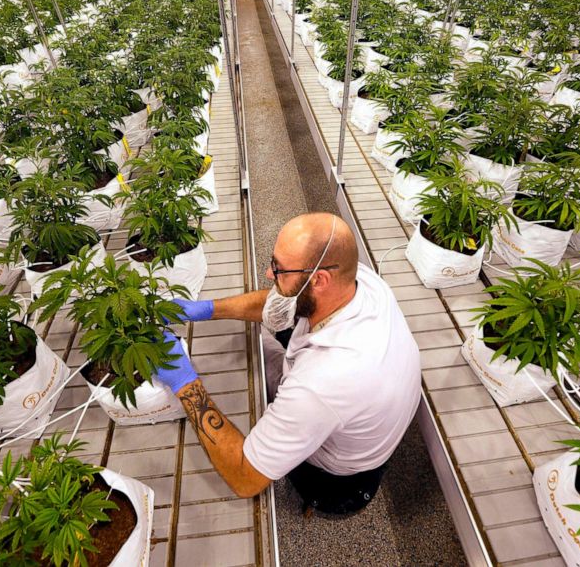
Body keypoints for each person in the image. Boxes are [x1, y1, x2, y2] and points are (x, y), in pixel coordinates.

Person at [156, 213, 421, 515]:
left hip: (338, 480)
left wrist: (185, 383)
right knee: (262, 342)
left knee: (255, 381)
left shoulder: (323, 383)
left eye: (278, 268)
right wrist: (207, 310)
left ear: (319, 280)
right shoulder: (359, 280)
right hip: (360, 411)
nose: (269, 274)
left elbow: (245, 479)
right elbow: (280, 301)